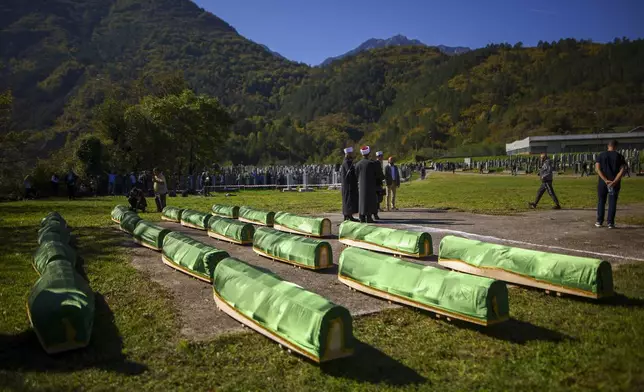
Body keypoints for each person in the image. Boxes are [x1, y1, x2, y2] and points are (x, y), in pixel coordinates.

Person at [595, 140, 626, 229]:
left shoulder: (601, 155)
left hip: (603, 183)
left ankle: (599, 221)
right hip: (614, 183)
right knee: (612, 202)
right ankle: (610, 223)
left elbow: (597, 169)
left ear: (608, 146)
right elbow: (622, 170)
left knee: (601, 201)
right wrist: (615, 181)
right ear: (616, 146)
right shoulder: (619, 156)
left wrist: (605, 180)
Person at [354, 146, 378, 223]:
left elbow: (356, 175)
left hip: (361, 185)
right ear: (368, 153)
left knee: (362, 201)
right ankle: (369, 217)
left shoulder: (358, 164)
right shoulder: (371, 163)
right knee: (370, 201)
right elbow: (376, 174)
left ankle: (361, 217)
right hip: (370, 185)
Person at [340, 147, 359, 221]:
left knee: (347, 200)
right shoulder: (347, 162)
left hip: (347, 185)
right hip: (348, 185)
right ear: (348, 154)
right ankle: (348, 215)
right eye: (350, 154)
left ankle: (348, 215)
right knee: (348, 200)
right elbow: (350, 172)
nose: (351, 155)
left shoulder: (346, 161)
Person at [373, 151, 385, 220]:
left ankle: (377, 211)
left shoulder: (378, 163)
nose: (382, 157)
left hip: (378, 183)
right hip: (377, 184)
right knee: (377, 198)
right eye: (381, 156)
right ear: (378, 157)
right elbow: (379, 174)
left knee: (378, 198)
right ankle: (375, 213)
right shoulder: (377, 163)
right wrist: (383, 177)